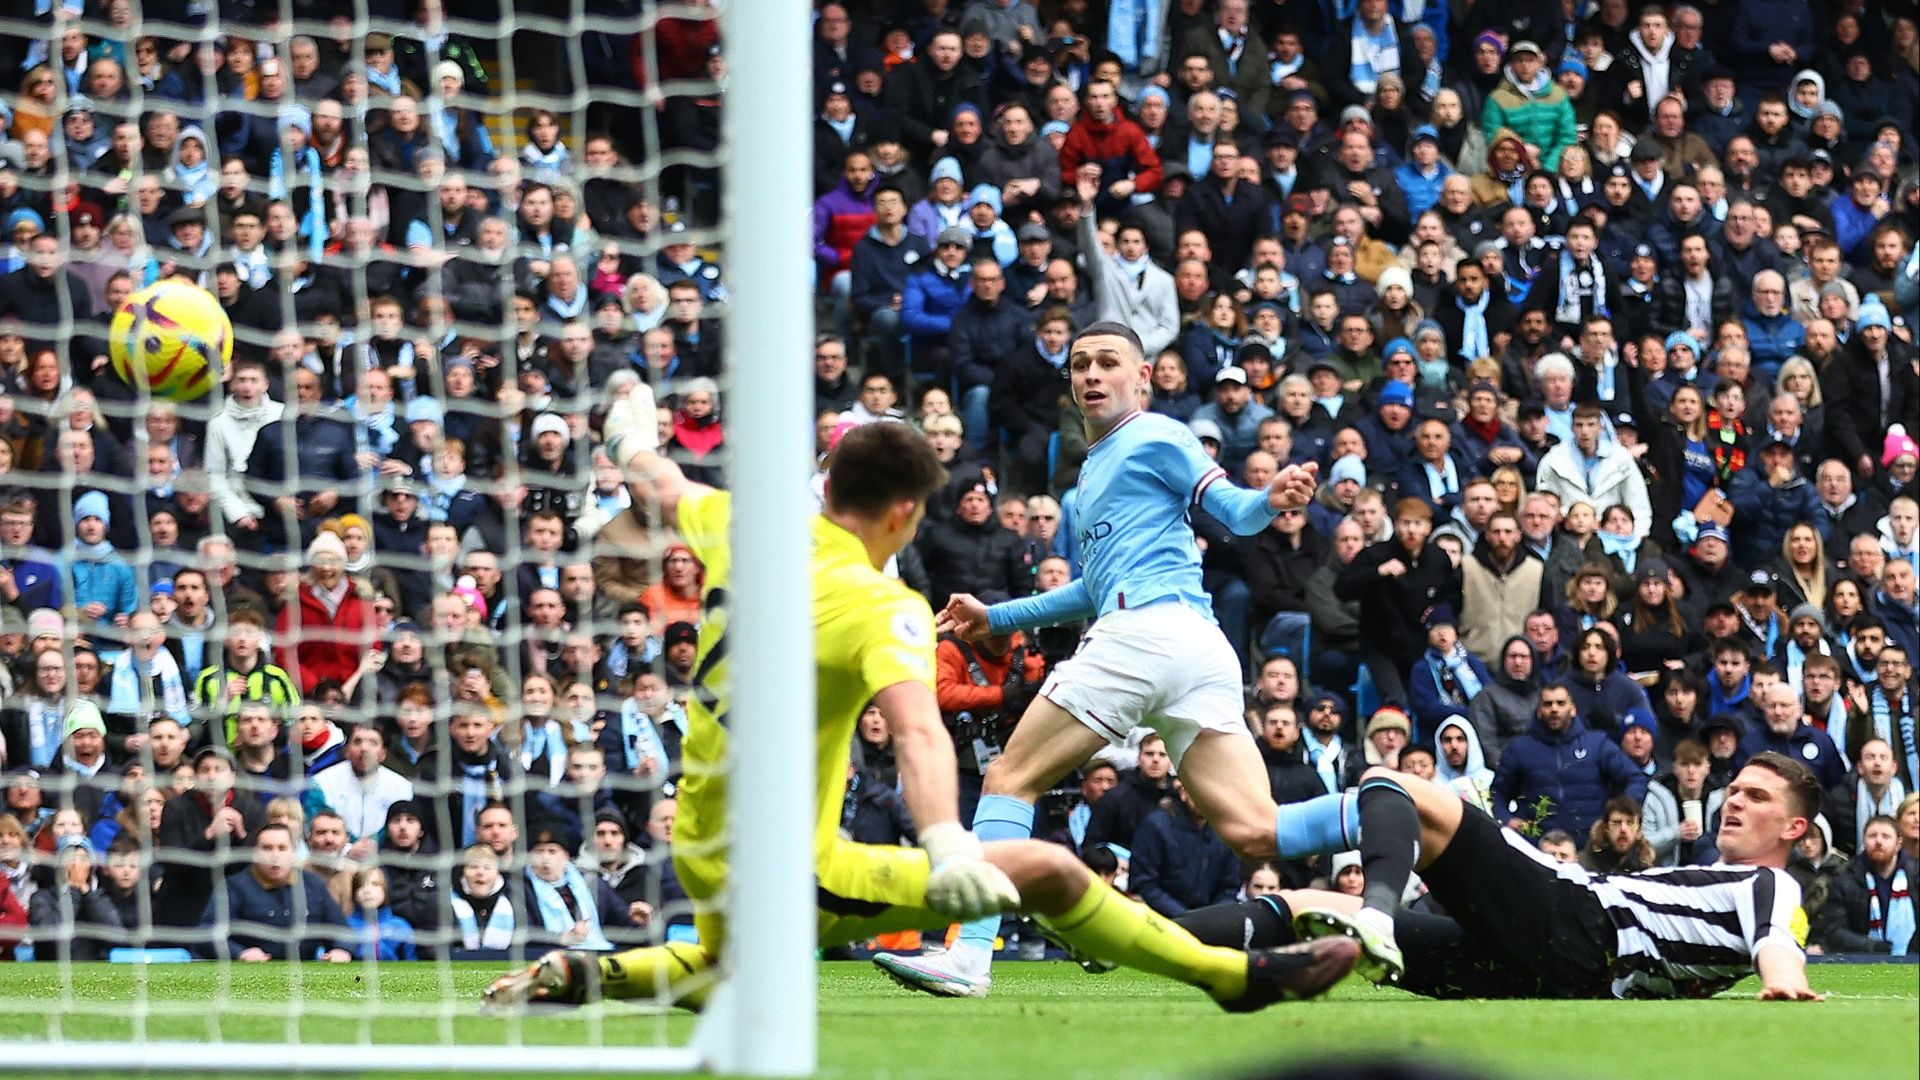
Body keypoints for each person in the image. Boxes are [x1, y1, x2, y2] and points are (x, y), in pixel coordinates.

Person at [484, 391, 1357, 1012]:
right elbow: (918, 734)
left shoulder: (739, 526)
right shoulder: (884, 608)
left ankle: (583, 974)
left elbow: (659, 481)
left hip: (701, 842)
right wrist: (944, 841)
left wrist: (629, 427)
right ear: (905, 514)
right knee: (1051, 871)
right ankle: (1234, 979)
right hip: (793, 866)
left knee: (725, 964)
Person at [1176, 752, 1826, 1001]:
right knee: (1307, 910)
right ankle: (1143, 936)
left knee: (1395, 785)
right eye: (1734, 791)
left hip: (1576, 921)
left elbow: (1778, 938)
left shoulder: (1771, 886)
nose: (1735, 802)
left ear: (1795, 828)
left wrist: (1785, 982)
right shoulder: (1717, 883)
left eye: (1757, 798)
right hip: (1556, 979)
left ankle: (1372, 906)